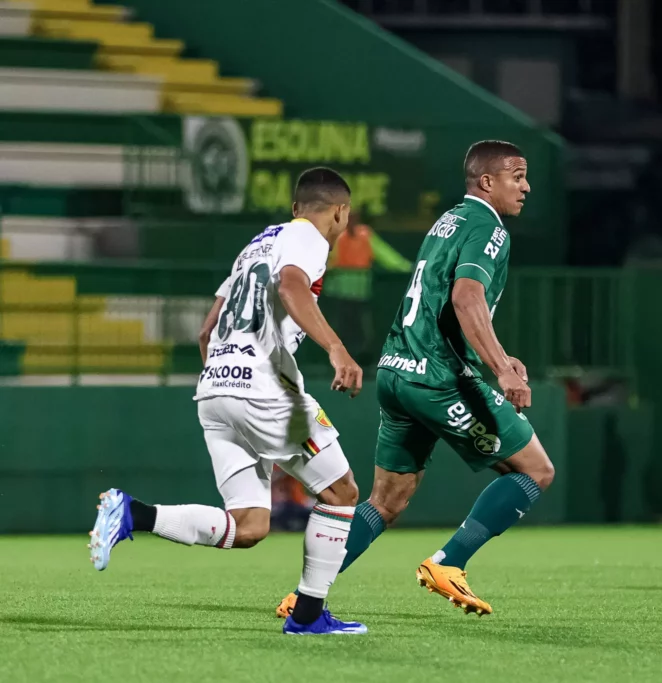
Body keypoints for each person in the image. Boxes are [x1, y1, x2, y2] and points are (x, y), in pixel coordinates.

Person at [276, 140, 555, 618]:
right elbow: (466, 299)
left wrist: (499, 353)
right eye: (517, 176)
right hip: (438, 378)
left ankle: (304, 597)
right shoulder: (488, 227)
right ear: (487, 182)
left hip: (396, 370)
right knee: (536, 470)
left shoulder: (447, 221)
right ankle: (450, 562)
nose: (526, 186)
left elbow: (441, 305)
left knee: (386, 500)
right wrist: (502, 369)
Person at [88, 168, 369, 636]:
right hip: (265, 389)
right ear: (340, 212)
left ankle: (133, 513)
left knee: (250, 525)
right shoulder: (308, 237)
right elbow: (291, 286)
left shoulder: (255, 245)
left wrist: (225, 376)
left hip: (215, 389)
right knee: (342, 492)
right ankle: (307, 617)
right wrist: (337, 348)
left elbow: (207, 329)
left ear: (294, 206)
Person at [323, 210, 412, 364]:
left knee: (361, 328)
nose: (351, 221)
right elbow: (325, 258)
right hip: (338, 293)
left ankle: (361, 358)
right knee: (339, 327)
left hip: (360, 292)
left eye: (353, 217)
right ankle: (337, 358)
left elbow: (386, 255)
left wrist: (407, 267)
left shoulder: (365, 235)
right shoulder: (335, 236)